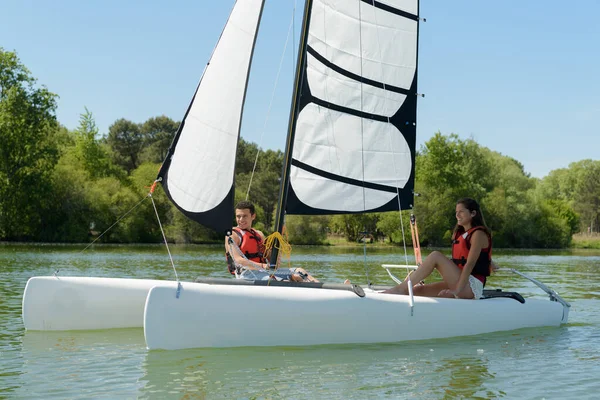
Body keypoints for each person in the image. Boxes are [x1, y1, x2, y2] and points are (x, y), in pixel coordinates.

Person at [383, 198, 493, 299]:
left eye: (461, 212)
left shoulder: (478, 234)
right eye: (456, 212)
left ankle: (400, 288)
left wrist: (456, 291)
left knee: (436, 256)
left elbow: (470, 264)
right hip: (460, 281)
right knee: (417, 291)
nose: (457, 215)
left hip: (470, 287)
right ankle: (400, 291)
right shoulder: (461, 234)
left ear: (473, 213)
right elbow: (478, 255)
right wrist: (490, 262)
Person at [224, 200, 317, 282]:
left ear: (253, 216)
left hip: (265, 272)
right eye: (238, 216)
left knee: (300, 272)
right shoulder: (232, 235)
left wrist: (276, 247)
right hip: (247, 275)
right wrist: (264, 266)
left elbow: (272, 261)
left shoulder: (259, 234)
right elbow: (238, 260)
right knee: (284, 280)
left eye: (244, 216)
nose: (241, 220)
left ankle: (322, 290)